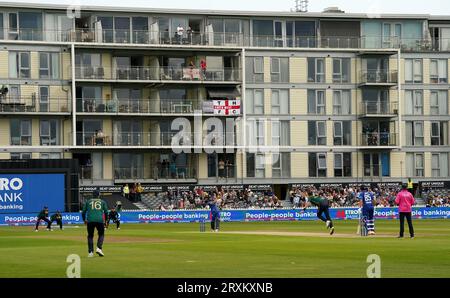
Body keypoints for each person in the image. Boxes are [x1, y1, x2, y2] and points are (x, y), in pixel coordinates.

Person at [82, 190, 108, 257]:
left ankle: (90, 252)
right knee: (101, 234)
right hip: (100, 220)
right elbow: (106, 212)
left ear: (92, 195)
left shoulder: (88, 202)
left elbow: (83, 212)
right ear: (98, 195)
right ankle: (99, 248)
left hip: (90, 221)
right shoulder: (102, 202)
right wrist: (106, 221)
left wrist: (84, 220)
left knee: (90, 236)